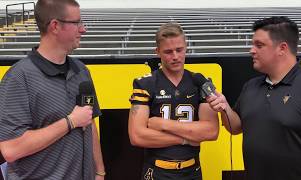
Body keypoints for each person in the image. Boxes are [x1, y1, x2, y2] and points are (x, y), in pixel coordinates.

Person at [0, 0, 105, 179]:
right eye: (77, 23)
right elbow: (11, 149)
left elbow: (89, 122)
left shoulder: (81, 71)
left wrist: (99, 171)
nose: (83, 29)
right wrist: (70, 122)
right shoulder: (19, 77)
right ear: (55, 26)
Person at [207, 16, 301, 180]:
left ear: (282, 48)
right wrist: (224, 108)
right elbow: (236, 127)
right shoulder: (251, 86)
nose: (251, 50)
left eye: (259, 45)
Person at [128, 22, 219, 180]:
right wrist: (186, 139)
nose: (175, 56)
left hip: (192, 170)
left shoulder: (200, 82)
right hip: (157, 170)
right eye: (168, 52)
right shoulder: (145, 84)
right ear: (158, 52)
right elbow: (137, 136)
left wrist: (163, 124)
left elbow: (211, 131)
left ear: (186, 47)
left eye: (179, 50)